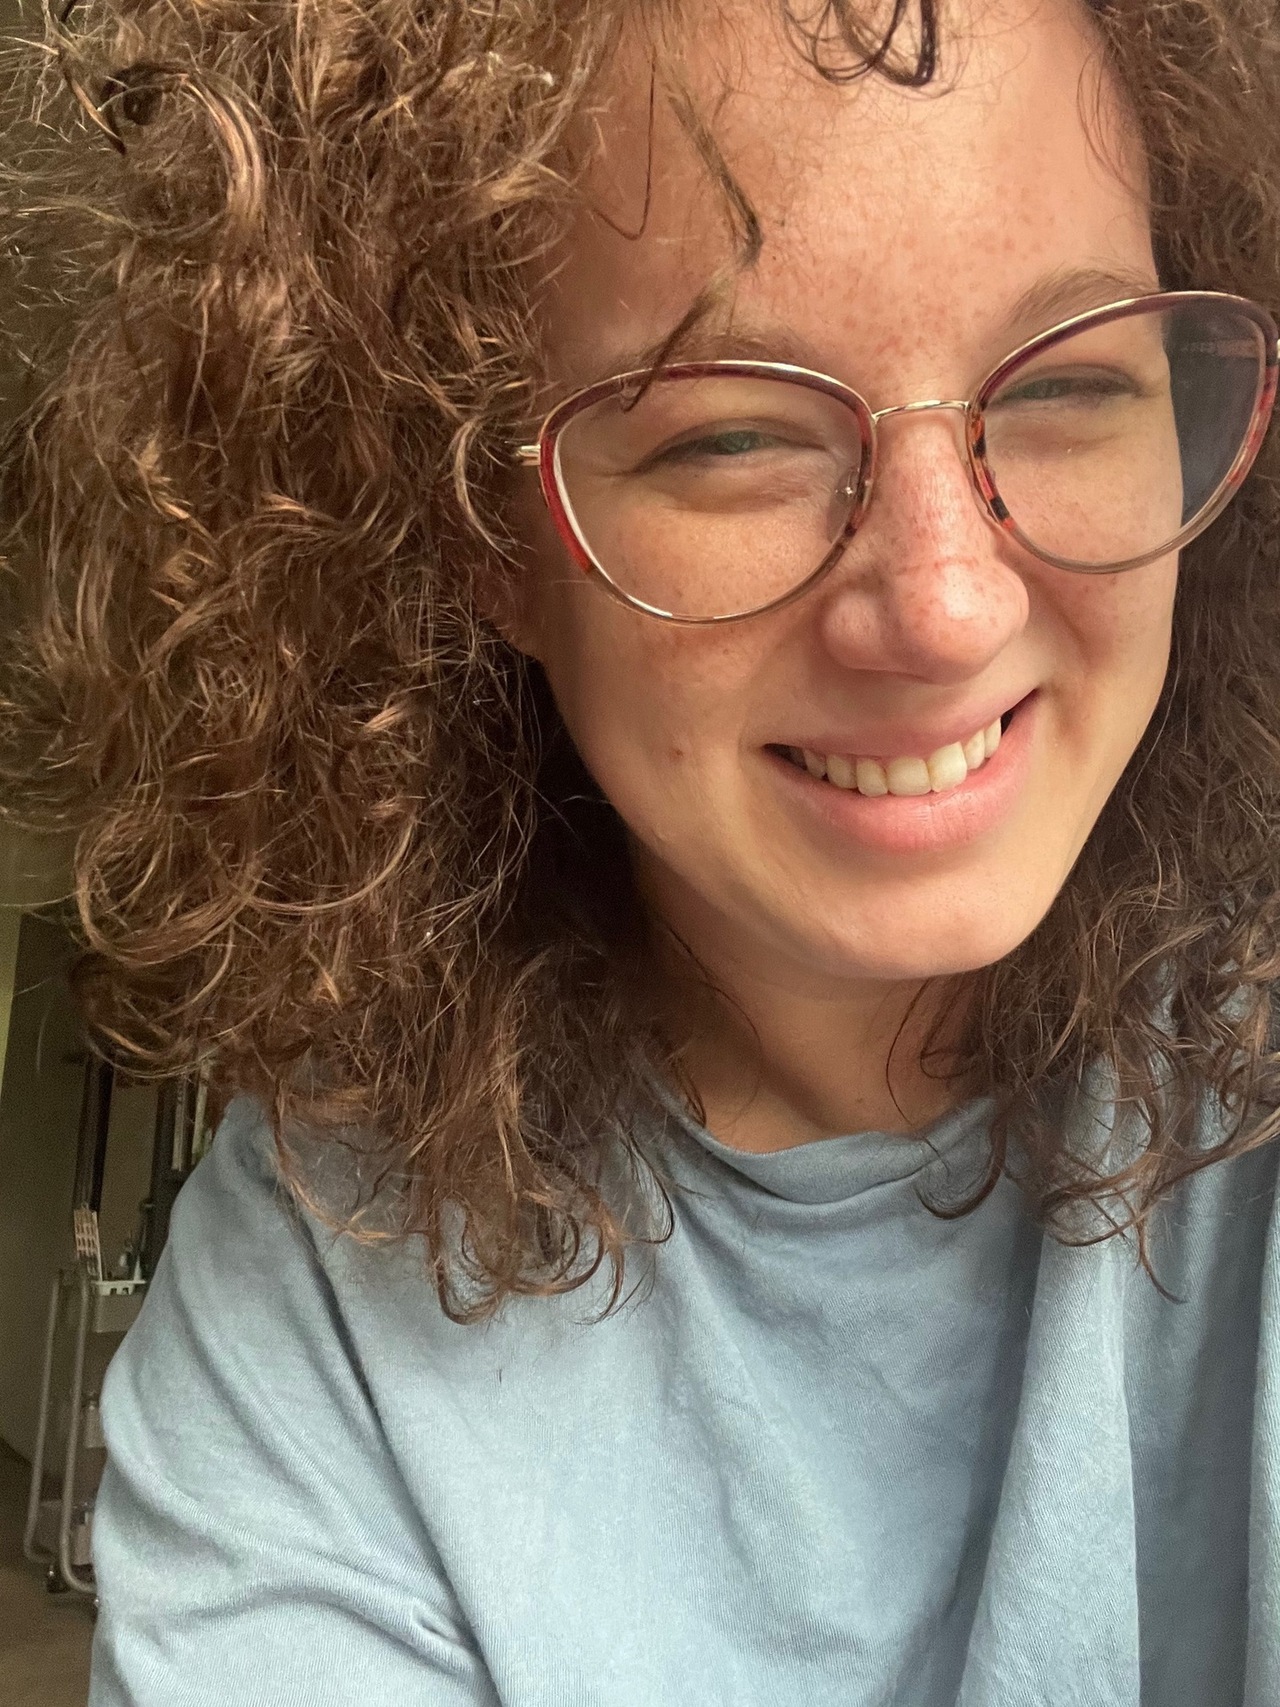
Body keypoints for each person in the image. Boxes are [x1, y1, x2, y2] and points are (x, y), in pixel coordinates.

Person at [3, 0, 1280, 1699]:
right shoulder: (321, 1279)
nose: (948, 608)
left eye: (1068, 383)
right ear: (488, 541)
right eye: (730, 434)